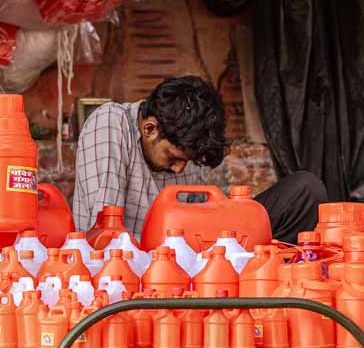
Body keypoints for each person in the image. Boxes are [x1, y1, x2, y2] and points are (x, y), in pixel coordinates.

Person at [72, 75, 327, 243]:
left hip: (194, 257)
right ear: (149, 129)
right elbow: (104, 234)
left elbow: (204, 218)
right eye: (173, 158)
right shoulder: (110, 123)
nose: (180, 168)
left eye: (187, 160)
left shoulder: (186, 141)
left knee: (305, 190)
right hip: (135, 269)